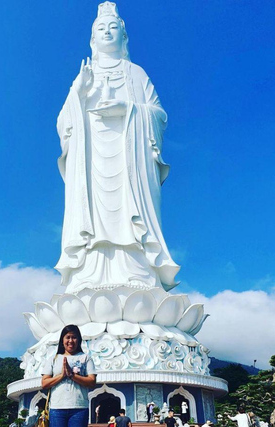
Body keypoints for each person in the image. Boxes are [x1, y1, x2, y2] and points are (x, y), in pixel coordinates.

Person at [54, 1, 179, 294]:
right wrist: (78, 94)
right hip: (91, 158)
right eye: (101, 28)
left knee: (128, 213)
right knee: (93, 218)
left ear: (124, 37)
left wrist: (129, 109)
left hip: (129, 159)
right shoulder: (84, 75)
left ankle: (138, 272)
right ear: (92, 38)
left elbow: (158, 115)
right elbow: (63, 123)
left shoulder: (136, 73)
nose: (107, 32)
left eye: (113, 28)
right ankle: (89, 275)